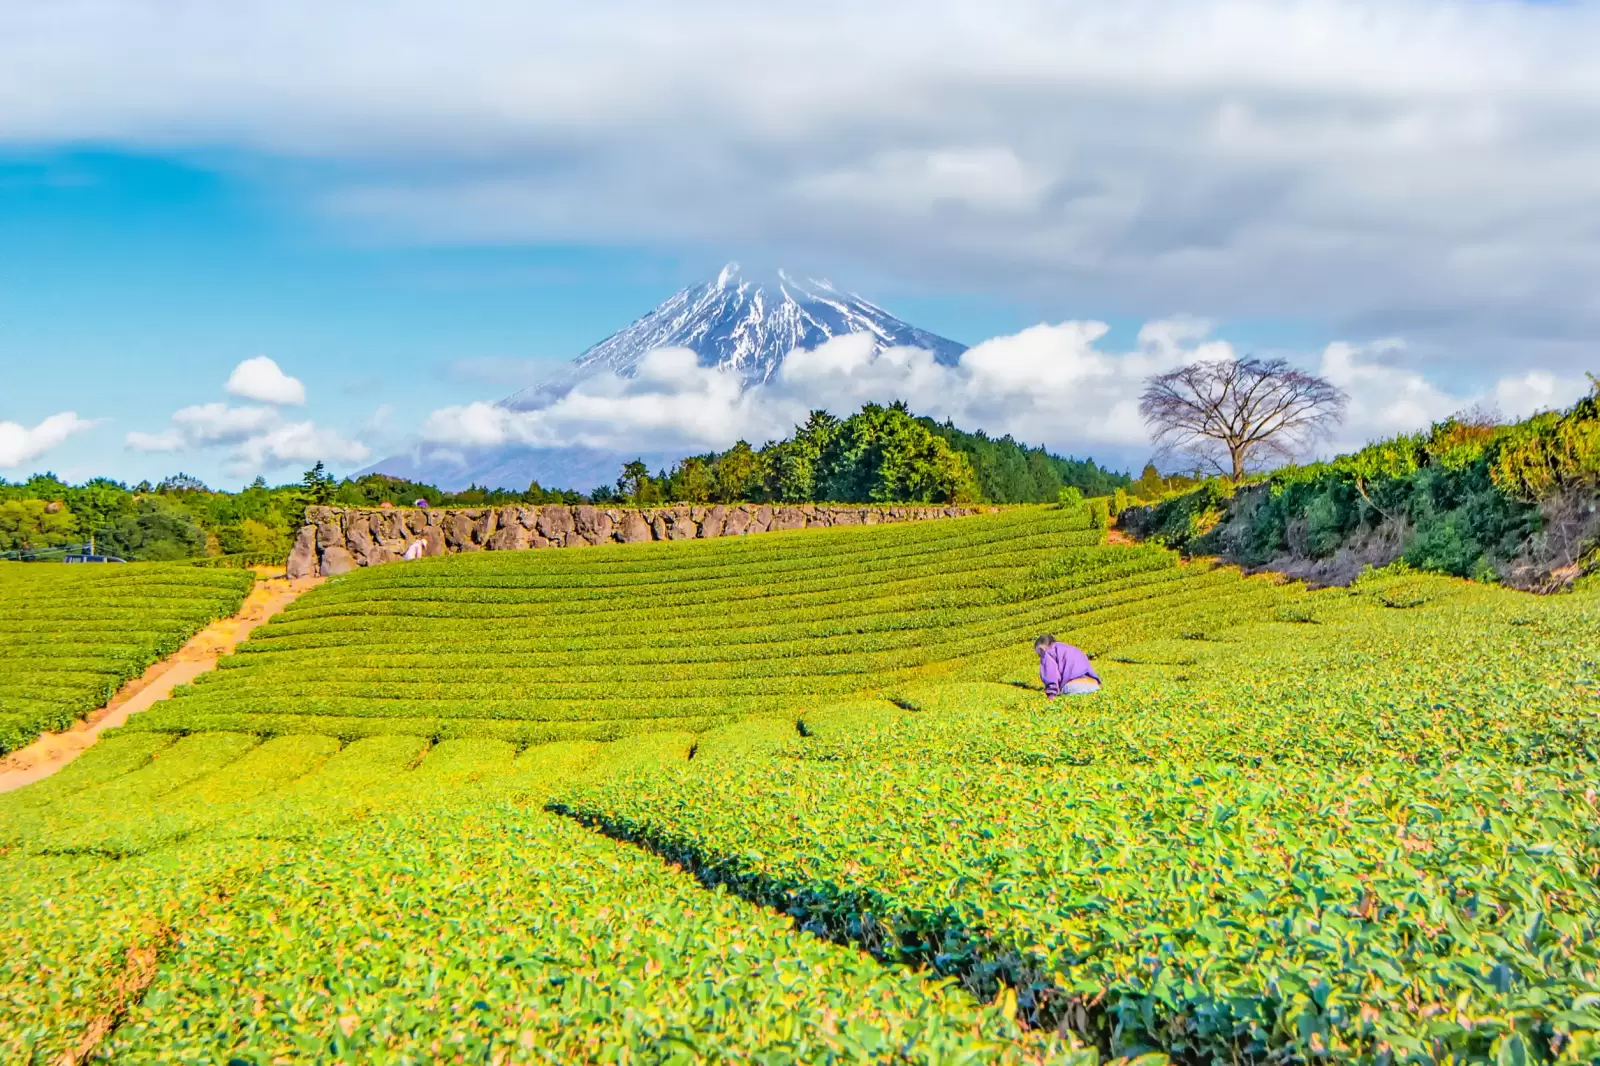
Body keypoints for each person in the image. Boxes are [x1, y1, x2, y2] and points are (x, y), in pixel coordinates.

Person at [1035, 634, 1100, 697]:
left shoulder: (1048, 652)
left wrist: (1051, 694)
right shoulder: (1073, 649)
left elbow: (1051, 674)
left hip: (1075, 686)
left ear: (1041, 648)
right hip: (1093, 685)